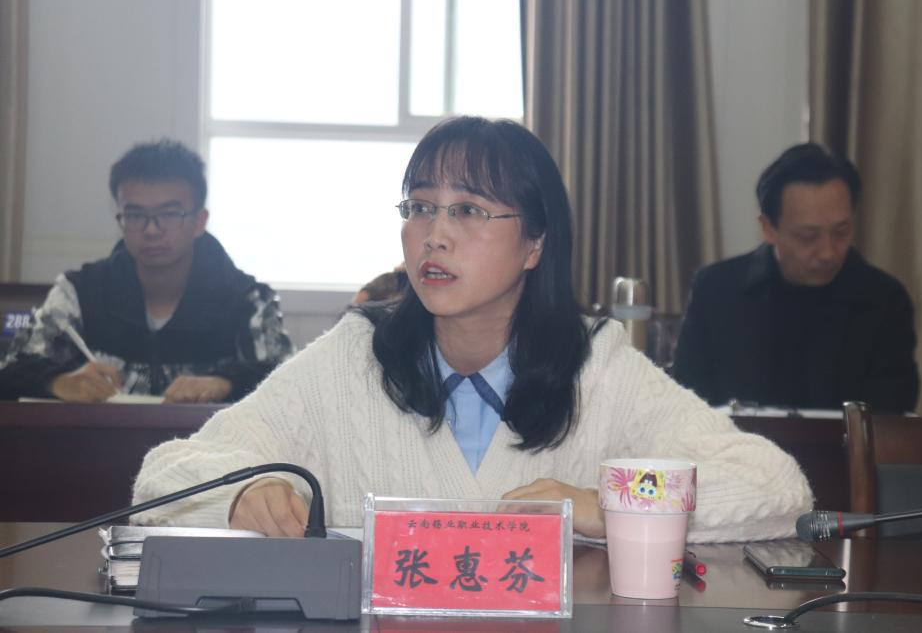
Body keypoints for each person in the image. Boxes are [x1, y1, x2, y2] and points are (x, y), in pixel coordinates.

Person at [132, 118, 812, 542]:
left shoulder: (596, 367)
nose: (435, 234)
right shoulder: (354, 358)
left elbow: (774, 486)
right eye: (420, 207)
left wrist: (610, 504)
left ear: (535, 243)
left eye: (469, 210)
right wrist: (242, 493)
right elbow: (164, 478)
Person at [0, 140, 293, 403]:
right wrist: (56, 382)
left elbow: (289, 383)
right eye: (135, 215)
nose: (151, 230)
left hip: (210, 446)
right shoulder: (81, 292)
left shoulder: (246, 300)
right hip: (99, 444)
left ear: (199, 221)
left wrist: (226, 383)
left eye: (169, 214)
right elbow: (11, 369)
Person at [673, 143, 919, 413]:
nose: (828, 252)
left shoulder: (884, 300)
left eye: (841, 232)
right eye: (808, 236)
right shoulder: (716, 290)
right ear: (768, 228)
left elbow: (891, 413)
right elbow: (687, 401)